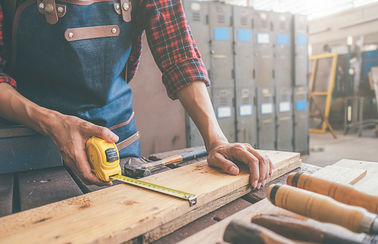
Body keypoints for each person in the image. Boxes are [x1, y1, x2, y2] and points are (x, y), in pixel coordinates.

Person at [0, 0, 272, 188]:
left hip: (116, 143)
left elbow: (179, 55)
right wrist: (52, 122)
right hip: (27, 150)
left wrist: (216, 141)